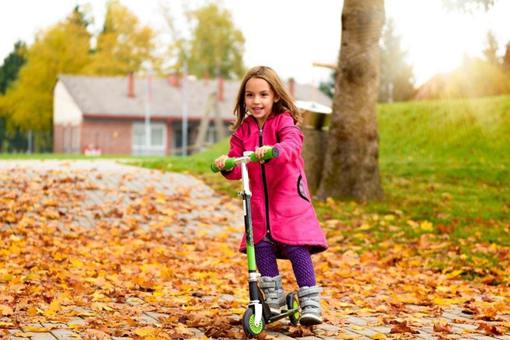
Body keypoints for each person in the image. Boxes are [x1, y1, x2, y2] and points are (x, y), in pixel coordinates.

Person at [214, 66, 328, 326]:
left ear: (275, 95)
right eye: (250, 95)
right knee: (261, 245)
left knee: (295, 245)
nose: (256, 101)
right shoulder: (243, 131)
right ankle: (273, 301)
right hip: (259, 203)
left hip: (288, 198)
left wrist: (273, 150)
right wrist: (227, 165)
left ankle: (310, 301)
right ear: (244, 99)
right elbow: (237, 165)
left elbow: (293, 145)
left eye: (263, 95)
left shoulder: (284, 120)